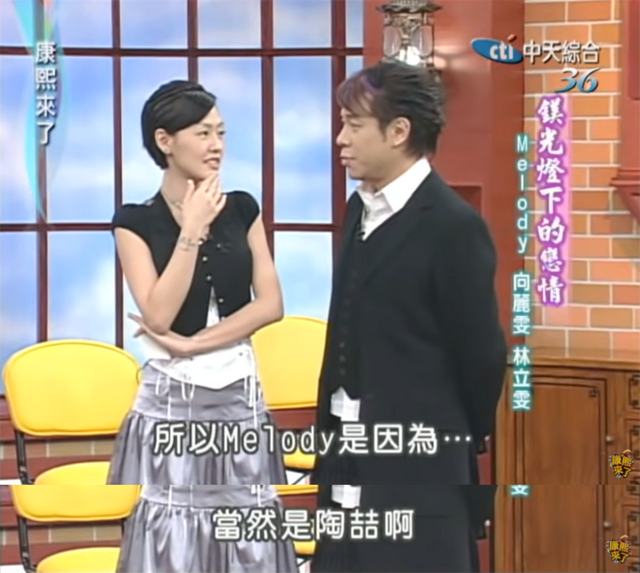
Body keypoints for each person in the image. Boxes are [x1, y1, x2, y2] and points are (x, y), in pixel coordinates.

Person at [310, 61, 507, 573]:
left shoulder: (453, 227)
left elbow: (482, 358)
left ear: (399, 132)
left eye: (354, 125)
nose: (340, 139)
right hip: (345, 455)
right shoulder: (359, 209)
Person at [107, 80, 297, 573]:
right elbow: (158, 315)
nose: (216, 146)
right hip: (173, 395)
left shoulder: (243, 208)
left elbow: (270, 304)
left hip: (238, 388)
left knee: (246, 516)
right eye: (203, 133)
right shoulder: (134, 222)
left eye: (221, 133)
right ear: (165, 141)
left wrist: (194, 345)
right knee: (177, 523)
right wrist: (190, 230)